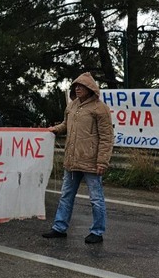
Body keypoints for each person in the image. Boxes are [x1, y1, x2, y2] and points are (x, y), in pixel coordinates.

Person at [42, 72, 113, 244]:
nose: (78, 88)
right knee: (66, 195)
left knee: (96, 198)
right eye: (76, 86)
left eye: (81, 86)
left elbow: (106, 137)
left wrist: (102, 161)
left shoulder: (100, 108)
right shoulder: (72, 106)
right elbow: (66, 125)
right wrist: (56, 129)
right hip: (72, 160)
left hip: (91, 161)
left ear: (90, 88)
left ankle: (97, 231)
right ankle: (59, 227)